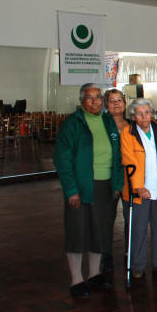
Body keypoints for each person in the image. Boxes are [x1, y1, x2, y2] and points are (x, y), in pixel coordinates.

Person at [54, 83, 122, 298]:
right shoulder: (72, 124)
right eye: (90, 98)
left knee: (100, 231)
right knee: (77, 231)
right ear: (81, 101)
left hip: (105, 185)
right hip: (81, 187)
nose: (95, 102)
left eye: (98, 97)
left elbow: (118, 156)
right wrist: (71, 189)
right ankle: (77, 279)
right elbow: (62, 159)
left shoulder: (108, 120)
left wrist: (117, 185)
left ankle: (94, 274)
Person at [120, 98, 157, 278]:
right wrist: (138, 187)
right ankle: (137, 265)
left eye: (147, 112)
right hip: (138, 191)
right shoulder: (128, 133)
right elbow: (129, 161)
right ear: (133, 117)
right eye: (139, 114)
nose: (144, 117)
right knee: (138, 230)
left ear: (152, 113)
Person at [102, 88, 130, 273]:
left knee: (130, 219)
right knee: (106, 219)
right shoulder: (102, 126)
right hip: (108, 179)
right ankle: (105, 256)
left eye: (119, 100)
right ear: (106, 105)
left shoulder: (132, 125)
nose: (116, 104)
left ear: (125, 103)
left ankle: (130, 253)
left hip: (129, 179)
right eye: (111, 101)